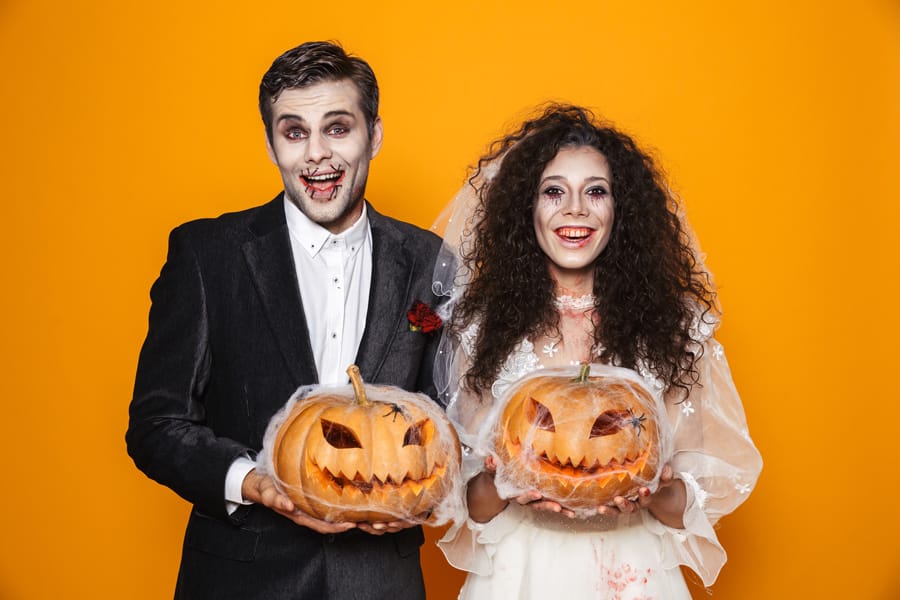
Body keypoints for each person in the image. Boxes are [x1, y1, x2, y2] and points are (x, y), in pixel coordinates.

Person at [126, 41, 442, 600]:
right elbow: (156, 425)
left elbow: (443, 416)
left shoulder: (429, 261)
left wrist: (421, 494)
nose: (316, 154)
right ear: (272, 144)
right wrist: (252, 482)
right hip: (242, 578)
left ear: (375, 134)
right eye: (294, 132)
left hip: (380, 582)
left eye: (338, 128)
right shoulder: (208, 255)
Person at [432, 104, 762, 599]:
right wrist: (502, 485)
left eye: (596, 192)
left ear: (619, 210)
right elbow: (470, 505)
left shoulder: (674, 331)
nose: (575, 210)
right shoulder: (483, 333)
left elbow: (695, 496)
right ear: (527, 210)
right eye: (553, 192)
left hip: (635, 577)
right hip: (518, 577)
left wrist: (657, 493)